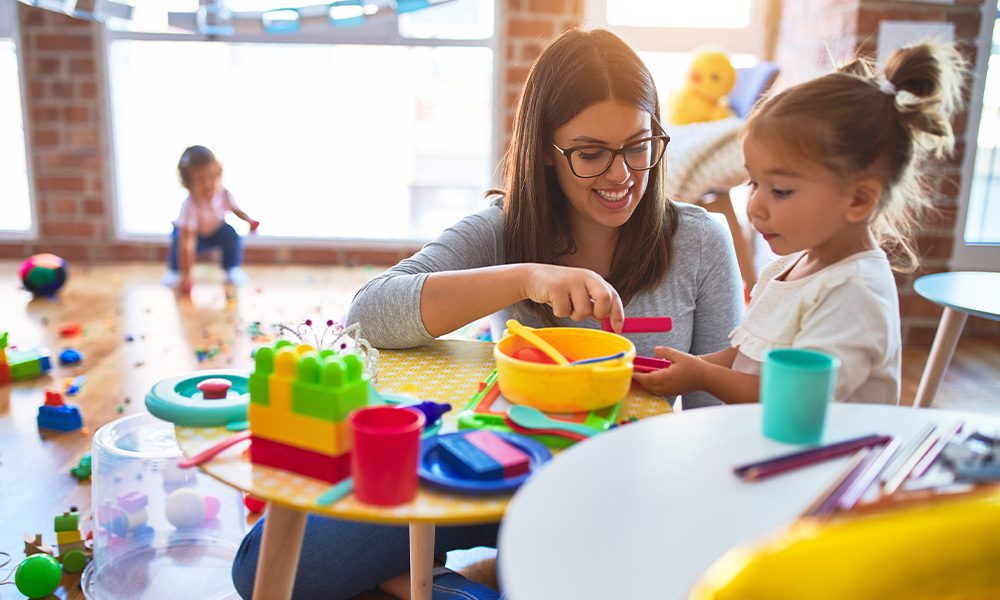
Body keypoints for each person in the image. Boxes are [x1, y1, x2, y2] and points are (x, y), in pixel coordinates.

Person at [232, 27, 742, 599]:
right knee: (264, 564)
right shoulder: (503, 230)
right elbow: (368, 315)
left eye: (638, 146)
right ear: (546, 153)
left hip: (626, 492)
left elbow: (715, 422)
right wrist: (526, 276)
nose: (621, 175)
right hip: (497, 472)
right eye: (591, 154)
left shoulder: (700, 241)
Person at [635, 42, 966, 405]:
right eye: (754, 184)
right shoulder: (793, 266)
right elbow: (752, 355)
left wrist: (702, 376)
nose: (755, 207)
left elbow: (791, 398)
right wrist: (691, 365)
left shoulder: (854, 293)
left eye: (780, 190)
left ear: (858, 199)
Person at [162, 145, 259, 293]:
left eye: (212, 176)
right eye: (200, 180)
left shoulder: (224, 193)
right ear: (188, 183)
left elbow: (236, 210)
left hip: (215, 232)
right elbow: (187, 242)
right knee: (179, 240)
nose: (208, 184)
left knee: (231, 235)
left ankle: (232, 268)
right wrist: (187, 274)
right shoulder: (190, 205)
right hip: (193, 235)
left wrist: (249, 220)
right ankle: (175, 271)